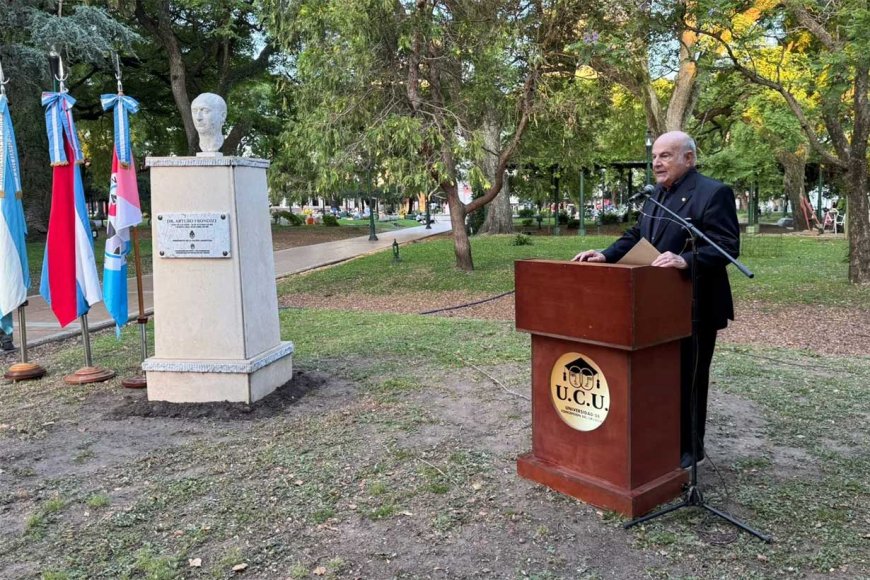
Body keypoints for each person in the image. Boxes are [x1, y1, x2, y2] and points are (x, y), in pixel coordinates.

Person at [573, 131, 740, 469]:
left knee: (689, 381)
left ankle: (690, 449)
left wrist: (686, 260)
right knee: (661, 379)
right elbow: (638, 235)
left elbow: (726, 246)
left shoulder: (713, 192)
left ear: (689, 158)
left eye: (665, 156)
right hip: (657, 306)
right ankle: (661, 439)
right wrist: (606, 255)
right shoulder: (656, 195)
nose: (657, 163)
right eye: (654, 157)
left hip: (695, 305)